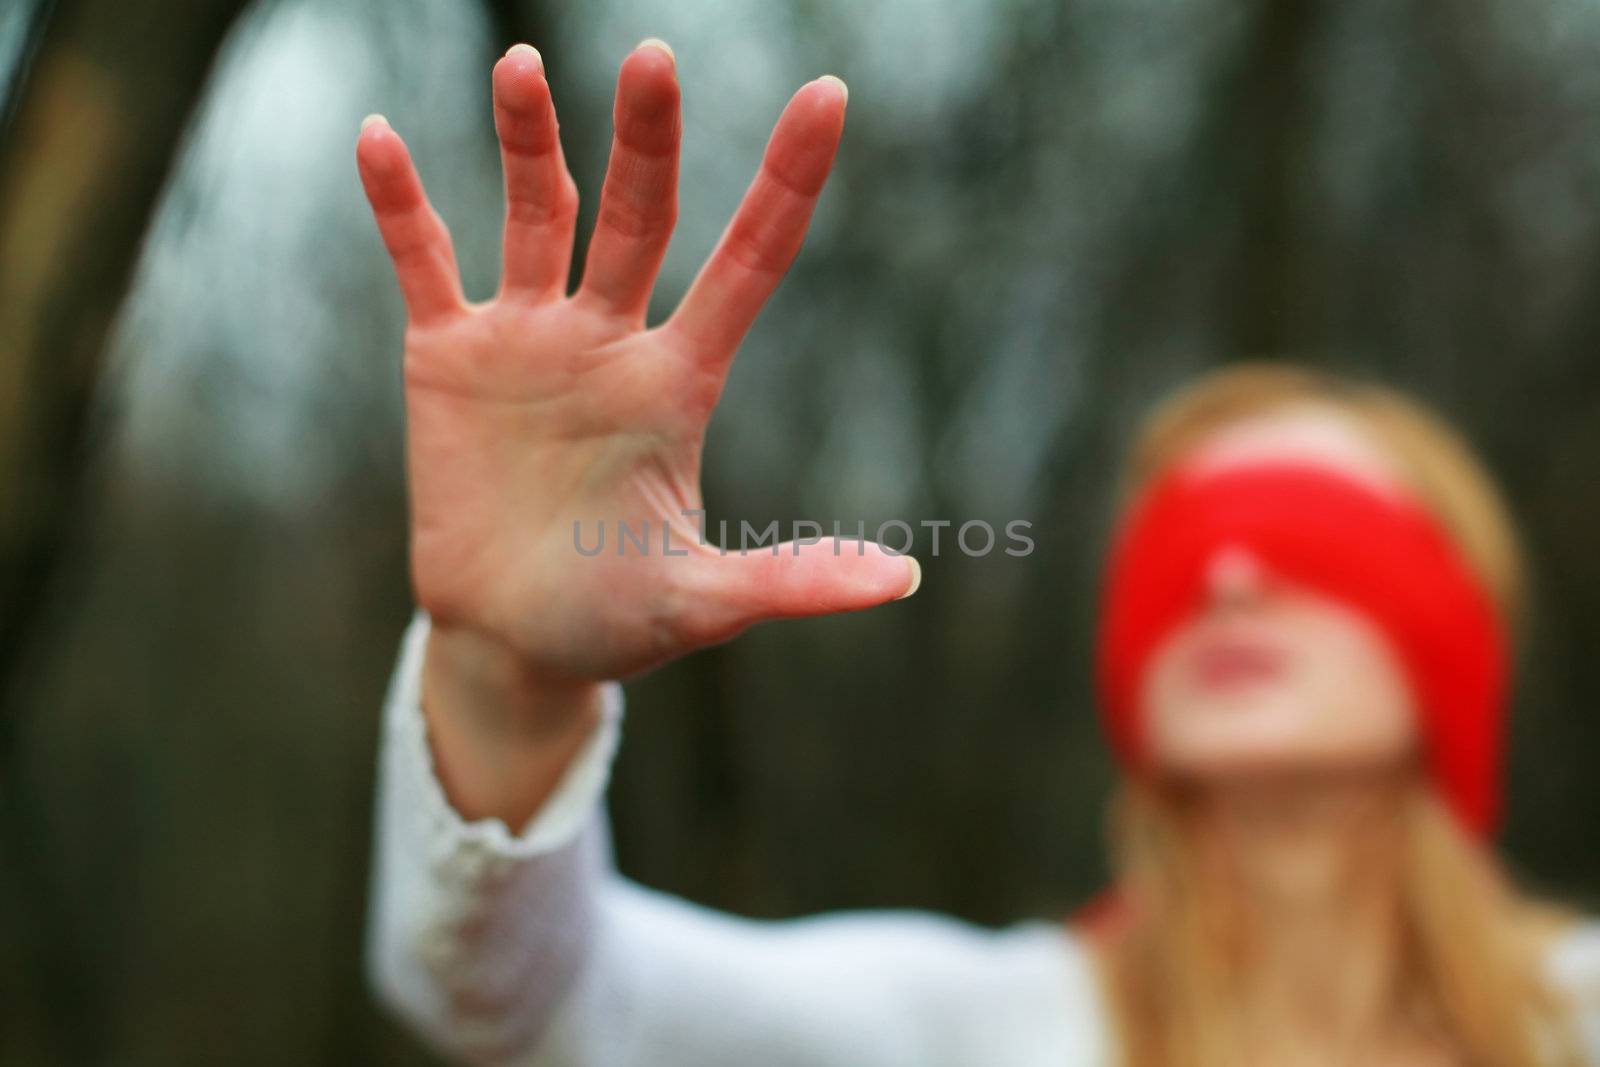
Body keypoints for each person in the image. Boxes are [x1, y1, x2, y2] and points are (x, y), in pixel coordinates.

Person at [354, 39, 1600, 1067]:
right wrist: (507, 676)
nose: (1228, 579)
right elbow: (520, 999)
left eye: (1317, 538)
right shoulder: (978, 1028)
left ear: (1455, 628)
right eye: (1185, 551)